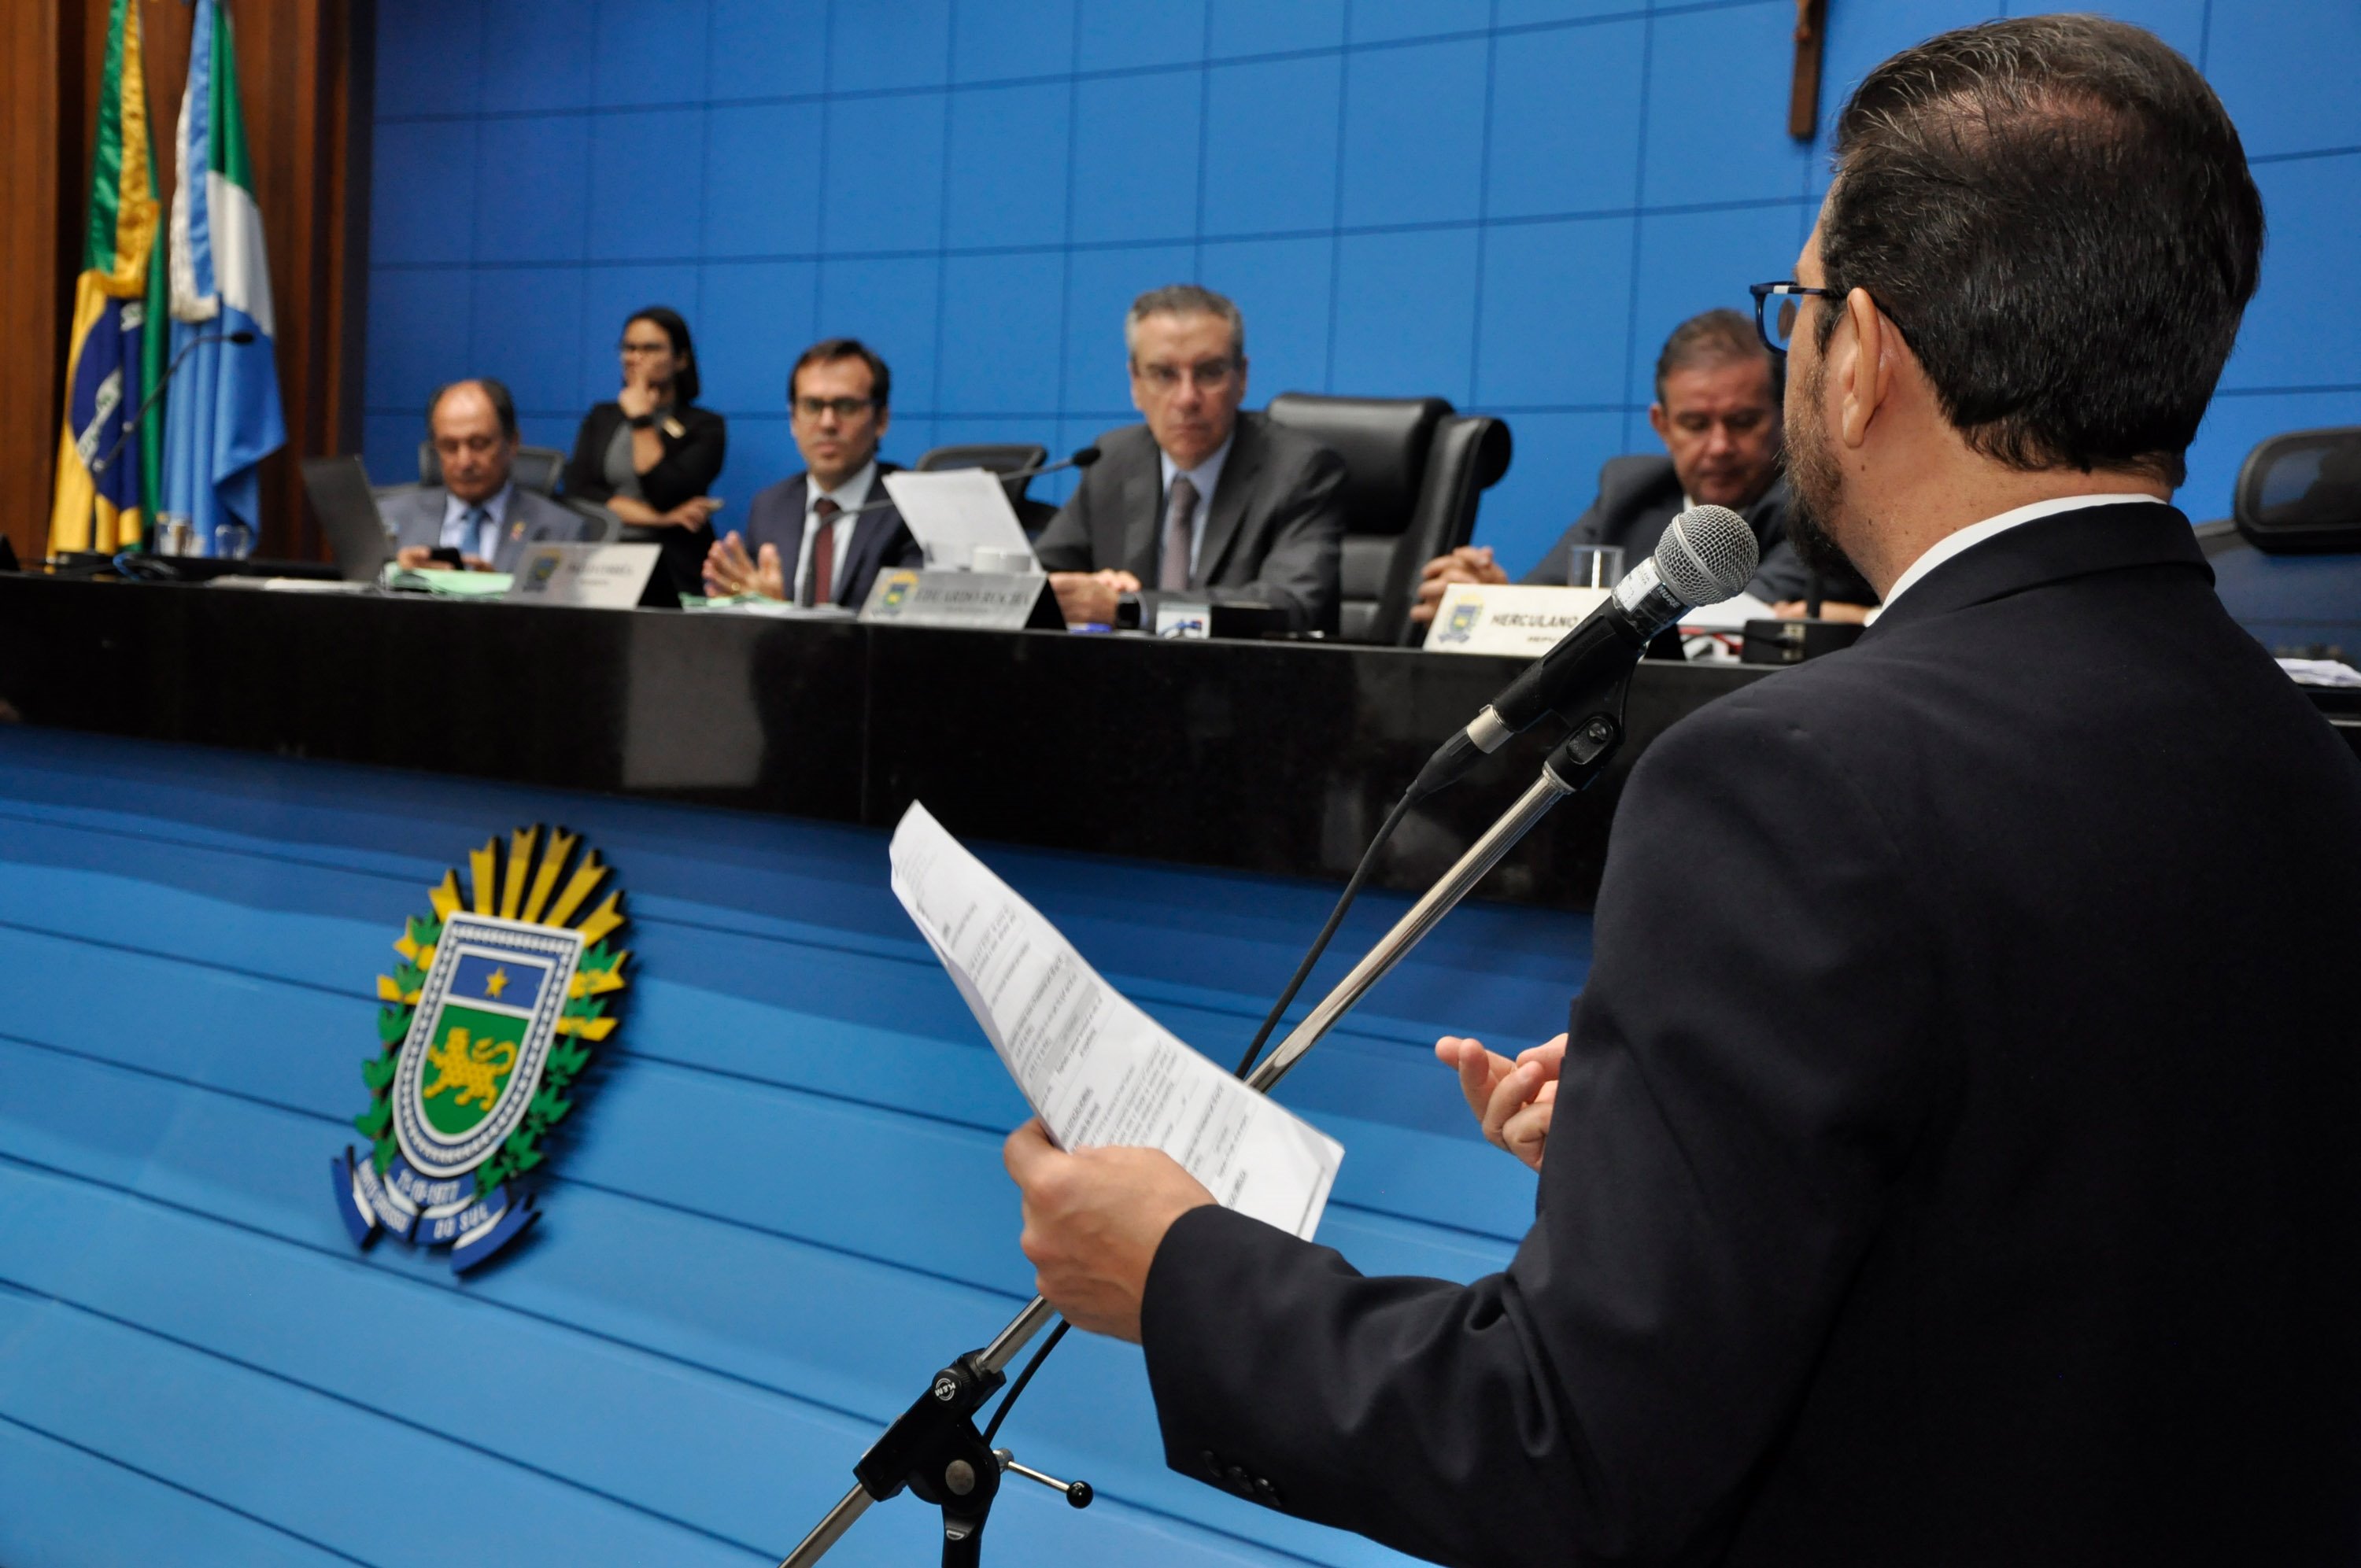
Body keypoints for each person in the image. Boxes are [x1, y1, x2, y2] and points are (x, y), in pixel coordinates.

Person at [1003, 17, 2361, 1563]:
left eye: (1799, 308)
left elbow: (1569, 1447)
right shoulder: (2299, 750)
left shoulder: (1787, 780)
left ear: (1863, 356)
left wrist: (1182, 1270)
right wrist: (1709, 1151)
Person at [1410, 309, 1879, 625]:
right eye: (1695, 424)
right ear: (1662, 425)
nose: (1719, 447)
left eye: (1742, 422)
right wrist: (1496, 603)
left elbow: (1729, 621)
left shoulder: (1812, 504)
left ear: (1782, 417)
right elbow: (1548, 605)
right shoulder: (1629, 492)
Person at [1034, 285, 1345, 633]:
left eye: (1209, 372)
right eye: (1164, 374)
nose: (1186, 398)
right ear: (1135, 383)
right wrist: (1082, 590)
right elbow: (1038, 577)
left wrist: (1127, 608)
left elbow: (1288, 604)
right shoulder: (1112, 460)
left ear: (1242, 379)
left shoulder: (1300, 470)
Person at [700, 338, 919, 608]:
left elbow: (904, 623)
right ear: (793, 419)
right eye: (813, 406)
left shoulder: (912, 507)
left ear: (881, 420)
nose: (827, 423)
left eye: (846, 406)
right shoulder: (770, 507)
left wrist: (780, 613)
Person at [563, 306, 726, 594]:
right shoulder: (602, 417)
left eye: (650, 349)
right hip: (600, 556)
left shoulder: (705, 426)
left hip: (671, 565)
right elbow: (579, 490)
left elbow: (667, 493)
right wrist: (662, 519)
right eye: (629, 348)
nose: (634, 358)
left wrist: (641, 420)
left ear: (680, 359)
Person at [386, 378, 589, 571]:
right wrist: (396, 576)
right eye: (449, 446)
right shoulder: (389, 518)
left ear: (513, 442)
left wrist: (497, 589)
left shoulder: (561, 531)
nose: (464, 462)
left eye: (479, 444)